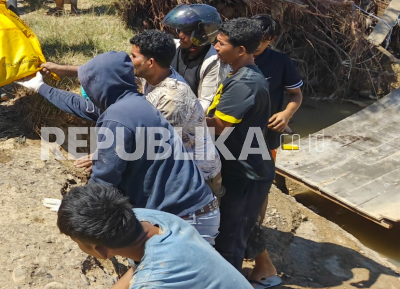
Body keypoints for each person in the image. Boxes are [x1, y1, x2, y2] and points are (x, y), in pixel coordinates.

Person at [18, 52, 217, 240]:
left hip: (183, 220)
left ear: (102, 85)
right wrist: (40, 87)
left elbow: (104, 180)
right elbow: (80, 105)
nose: (85, 89)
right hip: (193, 211)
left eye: (87, 83)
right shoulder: (132, 103)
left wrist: (78, 207)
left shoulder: (118, 119)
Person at [57, 184, 253, 289]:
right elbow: (138, 269)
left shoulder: (153, 281)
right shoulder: (150, 219)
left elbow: (148, 276)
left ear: (100, 250)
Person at [206, 18, 274, 271]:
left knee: (230, 240)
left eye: (221, 44)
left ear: (241, 50)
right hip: (238, 167)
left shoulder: (245, 83)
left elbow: (220, 127)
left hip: (247, 173)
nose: (215, 47)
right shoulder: (240, 74)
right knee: (232, 231)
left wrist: (183, 119)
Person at [130, 30, 223, 204]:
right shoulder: (153, 73)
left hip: (198, 176)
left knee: (197, 226)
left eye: (133, 56)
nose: (129, 61)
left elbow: (154, 146)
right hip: (178, 168)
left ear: (150, 62)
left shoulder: (172, 99)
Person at [245, 14, 303, 288]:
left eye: (263, 42)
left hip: (266, 137)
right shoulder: (236, 53)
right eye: (254, 40)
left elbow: (296, 95)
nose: (257, 46)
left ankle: (256, 228)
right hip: (231, 136)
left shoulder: (281, 63)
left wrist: (286, 114)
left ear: (272, 41)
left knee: (261, 187)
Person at [162, 4, 229, 110]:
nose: (181, 35)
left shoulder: (212, 62)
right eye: (180, 30)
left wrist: (180, 116)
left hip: (190, 116)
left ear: (201, 35)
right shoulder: (173, 47)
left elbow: (206, 102)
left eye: (187, 32)